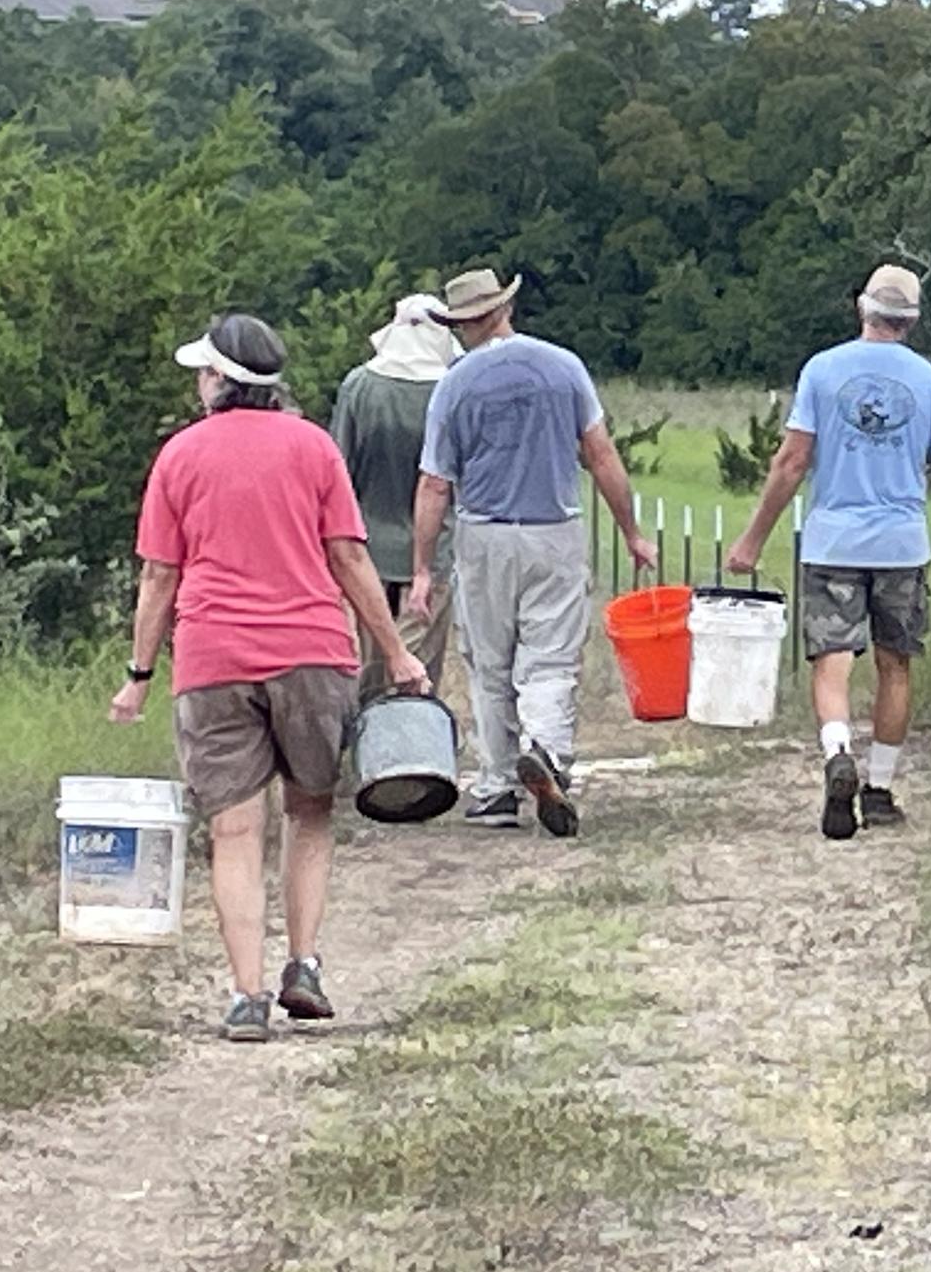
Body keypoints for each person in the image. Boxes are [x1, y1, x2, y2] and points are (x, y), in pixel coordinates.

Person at [111, 313, 428, 1043]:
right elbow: (349, 559)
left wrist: (138, 674)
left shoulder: (180, 456)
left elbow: (161, 576)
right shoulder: (314, 448)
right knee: (309, 813)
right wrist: (397, 652)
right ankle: (305, 964)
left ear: (222, 381)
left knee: (234, 830)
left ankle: (247, 996)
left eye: (203, 371)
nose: (198, 381)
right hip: (313, 652)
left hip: (214, 660)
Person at [728, 265, 931, 840]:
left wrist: (753, 538)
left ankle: (837, 752)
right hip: (902, 545)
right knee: (894, 665)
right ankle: (878, 790)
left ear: (863, 309)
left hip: (833, 539)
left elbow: (791, 462)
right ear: (913, 320)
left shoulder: (822, 371)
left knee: (832, 657)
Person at [407, 267, 657, 837]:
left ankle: (496, 785)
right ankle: (547, 750)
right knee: (550, 656)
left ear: (462, 323)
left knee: (489, 662)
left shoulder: (454, 384)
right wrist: (631, 532)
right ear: (505, 308)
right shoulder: (563, 367)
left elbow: (434, 484)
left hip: (484, 533)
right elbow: (600, 455)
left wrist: (423, 567)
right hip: (554, 528)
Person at [329, 292, 461, 694]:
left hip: (367, 548)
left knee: (371, 661)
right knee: (420, 667)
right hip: (435, 546)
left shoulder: (359, 386)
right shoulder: (449, 391)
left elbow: (338, 470)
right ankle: (416, 742)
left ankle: (368, 740)